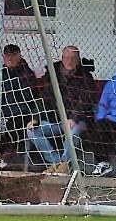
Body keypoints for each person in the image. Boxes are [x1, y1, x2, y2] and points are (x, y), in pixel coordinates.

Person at [25, 45, 97, 173]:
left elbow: (85, 101)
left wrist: (74, 118)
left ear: (78, 60)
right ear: (62, 58)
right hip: (54, 120)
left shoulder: (86, 77)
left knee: (73, 132)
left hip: (77, 121)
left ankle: (64, 163)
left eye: (73, 58)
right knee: (32, 131)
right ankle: (56, 162)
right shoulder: (52, 75)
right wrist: (35, 118)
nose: (69, 61)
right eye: (67, 57)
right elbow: (43, 99)